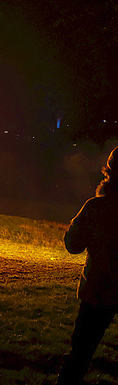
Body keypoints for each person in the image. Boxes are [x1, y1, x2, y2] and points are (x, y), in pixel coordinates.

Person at [57, 146, 118, 385]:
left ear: (108, 172)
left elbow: (73, 245)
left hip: (98, 289)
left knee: (79, 356)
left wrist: (75, 224)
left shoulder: (95, 207)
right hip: (102, 289)